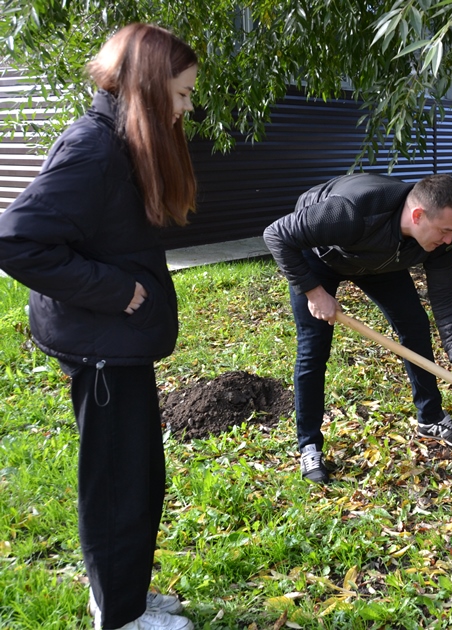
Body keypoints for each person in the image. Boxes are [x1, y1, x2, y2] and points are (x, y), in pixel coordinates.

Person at [0, 24, 198, 630]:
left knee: (138, 474)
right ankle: (120, 616)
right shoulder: (95, 148)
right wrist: (117, 291)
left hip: (117, 341)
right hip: (101, 346)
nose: (188, 107)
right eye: (183, 93)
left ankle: (121, 593)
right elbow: (17, 240)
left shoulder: (125, 139)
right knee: (119, 483)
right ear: (146, 85)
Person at [263, 172, 452, 484]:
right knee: (314, 348)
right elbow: (277, 234)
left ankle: (431, 418)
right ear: (418, 215)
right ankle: (309, 445)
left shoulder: (438, 239)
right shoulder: (351, 211)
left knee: (415, 326)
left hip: (380, 259)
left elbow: (444, 296)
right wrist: (314, 292)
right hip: (320, 256)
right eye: (445, 231)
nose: (449, 240)